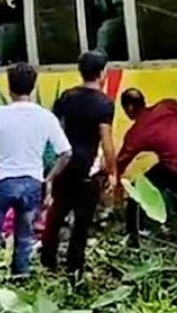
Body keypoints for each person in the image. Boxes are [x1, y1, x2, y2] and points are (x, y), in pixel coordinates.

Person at [0, 62, 72, 277]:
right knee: (25, 237)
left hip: (3, 183)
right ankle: (21, 281)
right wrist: (49, 178)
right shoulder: (46, 117)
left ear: (9, 88)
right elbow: (66, 153)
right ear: (33, 87)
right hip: (32, 184)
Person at [41, 51, 117, 277]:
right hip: (87, 170)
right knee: (81, 223)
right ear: (102, 73)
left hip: (64, 165)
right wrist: (112, 172)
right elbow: (107, 141)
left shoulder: (66, 97)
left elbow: (55, 132)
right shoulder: (105, 103)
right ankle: (74, 271)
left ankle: (48, 262)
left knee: (56, 214)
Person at [116, 79, 177, 247]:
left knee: (138, 188)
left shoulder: (137, 132)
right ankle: (171, 219)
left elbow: (121, 161)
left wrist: (116, 184)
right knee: (160, 173)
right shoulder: (167, 106)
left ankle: (134, 234)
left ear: (129, 109)